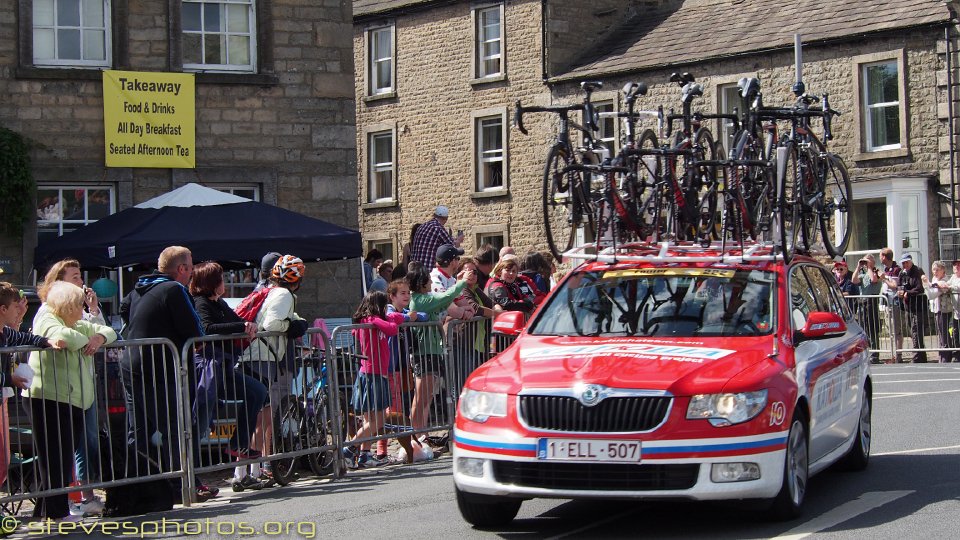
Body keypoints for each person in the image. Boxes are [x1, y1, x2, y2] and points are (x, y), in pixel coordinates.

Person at [118, 246, 214, 501]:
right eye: (191, 267)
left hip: (131, 363)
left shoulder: (140, 288)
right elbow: (195, 331)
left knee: (137, 431)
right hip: (157, 366)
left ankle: (135, 489)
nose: (193, 272)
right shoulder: (174, 289)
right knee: (175, 428)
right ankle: (180, 486)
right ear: (181, 269)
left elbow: (124, 310)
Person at [26, 281, 116, 519]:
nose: (83, 307)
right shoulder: (48, 317)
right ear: (68, 305)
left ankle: (48, 512)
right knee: (54, 459)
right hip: (49, 397)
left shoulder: (76, 321)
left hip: (74, 399)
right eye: (79, 304)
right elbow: (63, 336)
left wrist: (97, 338)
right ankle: (54, 512)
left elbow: (109, 331)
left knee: (63, 459)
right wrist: (87, 340)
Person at [189, 262, 269, 490]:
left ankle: (238, 444)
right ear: (212, 283)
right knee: (199, 424)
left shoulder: (219, 302)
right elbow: (208, 328)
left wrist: (247, 326)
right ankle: (189, 478)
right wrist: (242, 326)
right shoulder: (201, 303)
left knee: (257, 392)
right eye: (221, 278)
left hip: (223, 367)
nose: (225, 283)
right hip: (207, 369)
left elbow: (235, 320)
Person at [238, 255, 309, 485]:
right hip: (263, 357)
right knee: (259, 418)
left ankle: (248, 472)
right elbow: (272, 324)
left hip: (258, 356)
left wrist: (296, 320)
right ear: (296, 279)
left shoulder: (273, 291)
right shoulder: (284, 294)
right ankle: (248, 473)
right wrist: (293, 326)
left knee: (259, 417)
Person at [0, 283, 61, 493]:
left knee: (3, 459)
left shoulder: (6, 333)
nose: (20, 311)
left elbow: (26, 337)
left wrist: (45, 341)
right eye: (17, 307)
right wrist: (10, 379)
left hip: (2, 401)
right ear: (3, 309)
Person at [342, 291, 407, 468]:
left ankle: (364, 454)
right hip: (373, 373)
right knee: (377, 420)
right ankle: (348, 449)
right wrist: (390, 319)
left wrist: (392, 316)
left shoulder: (375, 320)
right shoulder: (371, 320)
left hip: (371, 373)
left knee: (369, 420)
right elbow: (393, 329)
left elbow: (398, 319)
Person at [407, 265, 468, 437]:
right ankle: (415, 437)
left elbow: (445, 299)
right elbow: (444, 297)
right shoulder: (419, 300)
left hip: (431, 352)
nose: (430, 281)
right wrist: (462, 283)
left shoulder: (424, 297)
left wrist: (457, 281)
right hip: (424, 353)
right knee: (420, 398)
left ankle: (420, 434)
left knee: (426, 398)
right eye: (427, 279)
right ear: (421, 283)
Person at [897, 254, 927, 363]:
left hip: (918, 306)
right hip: (908, 307)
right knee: (912, 331)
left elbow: (920, 288)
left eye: (906, 262)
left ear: (911, 261)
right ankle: (921, 357)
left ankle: (917, 357)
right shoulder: (902, 273)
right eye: (903, 263)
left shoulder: (917, 271)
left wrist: (907, 293)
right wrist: (900, 292)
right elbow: (899, 286)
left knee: (916, 331)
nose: (905, 265)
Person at [852, 254, 882, 363]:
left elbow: (874, 279)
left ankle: (874, 354)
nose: (866, 263)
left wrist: (870, 267)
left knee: (872, 328)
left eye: (868, 261)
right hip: (862, 302)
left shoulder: (877, 271)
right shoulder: (863, 274)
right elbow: (854, 280)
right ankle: (865, 353)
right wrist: (858, 267)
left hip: (872, 301)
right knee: (864, 327)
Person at [923, 261, 954, 363]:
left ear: (943, 270)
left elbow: (932, 294)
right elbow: (931, 291)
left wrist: (926, 284)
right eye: (933, 270)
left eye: (937, 270)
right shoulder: (935, 279)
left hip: (944, 310)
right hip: (937, 309)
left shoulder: (944, 281)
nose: (935, 272)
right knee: (940, 334)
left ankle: (946, 356)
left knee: (944, 334)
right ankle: (942, 356)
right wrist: (928, 284)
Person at [879, 248, 904, 363]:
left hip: (895, 302)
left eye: (880, 255)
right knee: (891, 330)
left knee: (896, 329)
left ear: (884, 256)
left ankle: (898, 356)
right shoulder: (886, 268)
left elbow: (894, 285)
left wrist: (884, 279)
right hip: (887, 302)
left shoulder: (896, 269)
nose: (879, 258)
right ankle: (894, 354)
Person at [948, 260, 960, 362]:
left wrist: (950, 287)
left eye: (959, 265)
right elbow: (947, 285)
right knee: (955, 332)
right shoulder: (953, 277)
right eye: (955, 265)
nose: (956, 267)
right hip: (956, 311)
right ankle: (956, 354)